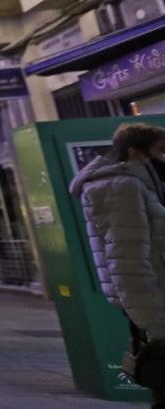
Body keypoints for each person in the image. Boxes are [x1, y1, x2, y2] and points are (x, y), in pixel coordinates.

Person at [69, 123, 165, 408]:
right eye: (161, 151)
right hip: (157, 307)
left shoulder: (142, 185)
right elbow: (127, 264)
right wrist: (156, 326)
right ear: (136, 153)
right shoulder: (121, 187)